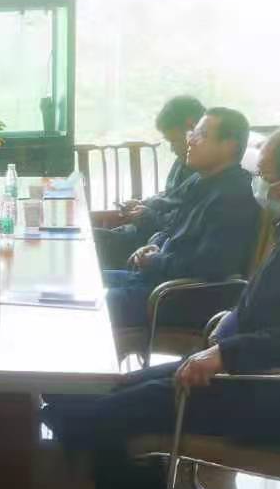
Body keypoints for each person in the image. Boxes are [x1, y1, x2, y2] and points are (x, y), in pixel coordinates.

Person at [42, 123, 280, 489]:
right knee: (104, 391)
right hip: (248, 371)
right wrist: (230, 326)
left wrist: (223, 353)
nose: (255, 181)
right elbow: (273, 306)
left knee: (100, 415)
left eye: (262, 173)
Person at [103, 107, 260, 329]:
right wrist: (155, 244)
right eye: (192, 134)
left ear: (230, 146)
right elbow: (173, 227)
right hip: (155, 282)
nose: (191, 141)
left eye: (201, 135)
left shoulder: (233, 197)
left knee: (88, 303)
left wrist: (155, 261)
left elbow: (210, 267)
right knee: (82, 283)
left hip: (177, 298)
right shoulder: (200, 180)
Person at [94, 95, 205, 269]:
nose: (172, 148)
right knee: (91, 237)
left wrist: (148, 216)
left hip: (153, 245)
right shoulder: (183, 162)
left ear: (192, 127)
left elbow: (179, 224)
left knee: (92, 244)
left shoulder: (206, 177)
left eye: (174, 141)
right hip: (149, 236)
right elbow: (170, 196)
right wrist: (144, 204)